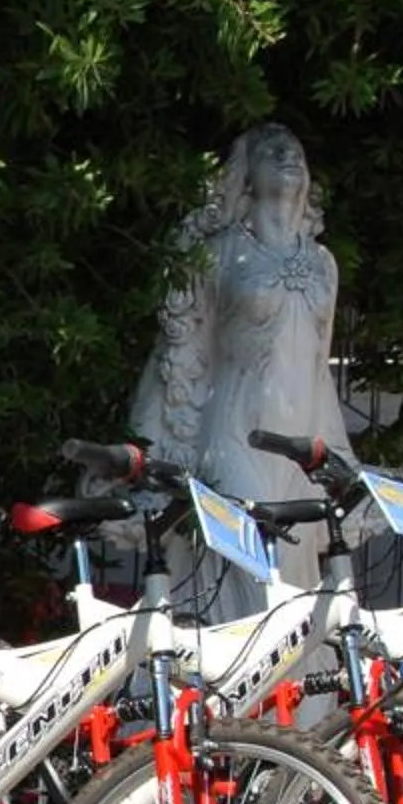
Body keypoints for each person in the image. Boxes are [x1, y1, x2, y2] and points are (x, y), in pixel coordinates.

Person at [129, 122, 355, 596]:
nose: (288, 156)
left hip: (301, 443)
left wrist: (339, 454)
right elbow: (182, 349)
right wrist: (158, 439)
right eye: (272, 151)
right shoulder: (217, 255)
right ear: (246, 176)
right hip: (234, 432)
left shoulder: (323, 264)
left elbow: (319, 370)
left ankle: (293, 675)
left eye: (295, 150)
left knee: (295, 583)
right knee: (249, 577)